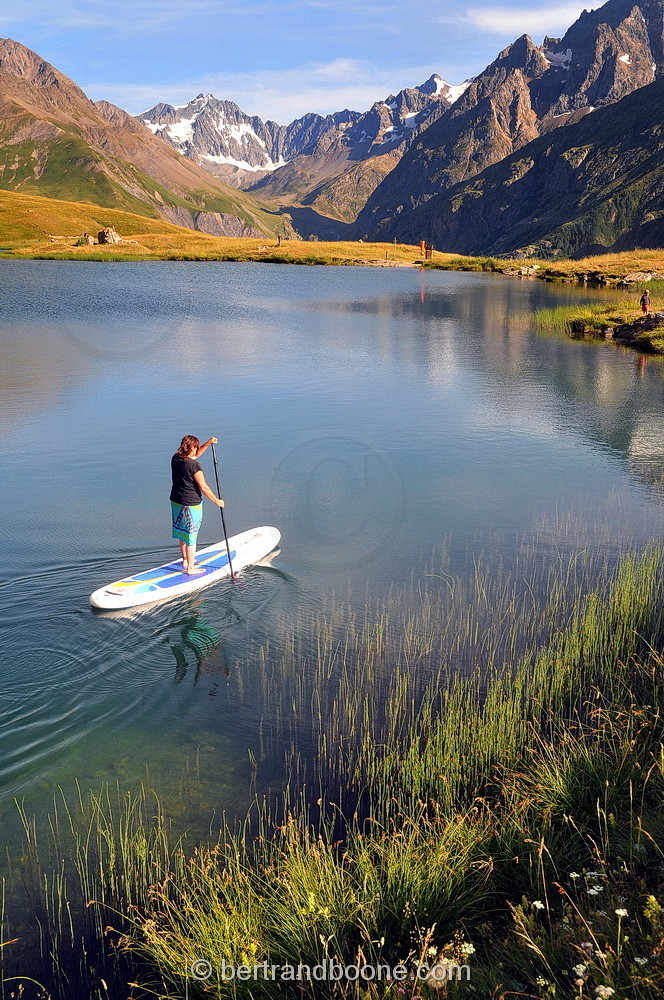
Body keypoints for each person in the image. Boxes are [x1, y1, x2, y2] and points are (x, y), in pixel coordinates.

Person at [170, 435, 224, 575]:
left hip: (176, 501)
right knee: (191, 535)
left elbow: (195, 455)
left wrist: (208, 443)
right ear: (193, 447)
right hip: (191, 504)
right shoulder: (194, 466)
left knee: (182, 532)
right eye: (196, 447)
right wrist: (217, 501)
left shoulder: (176, 458)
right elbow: (203, 487)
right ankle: (191, 568)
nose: (197, 450)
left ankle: (185, 560)